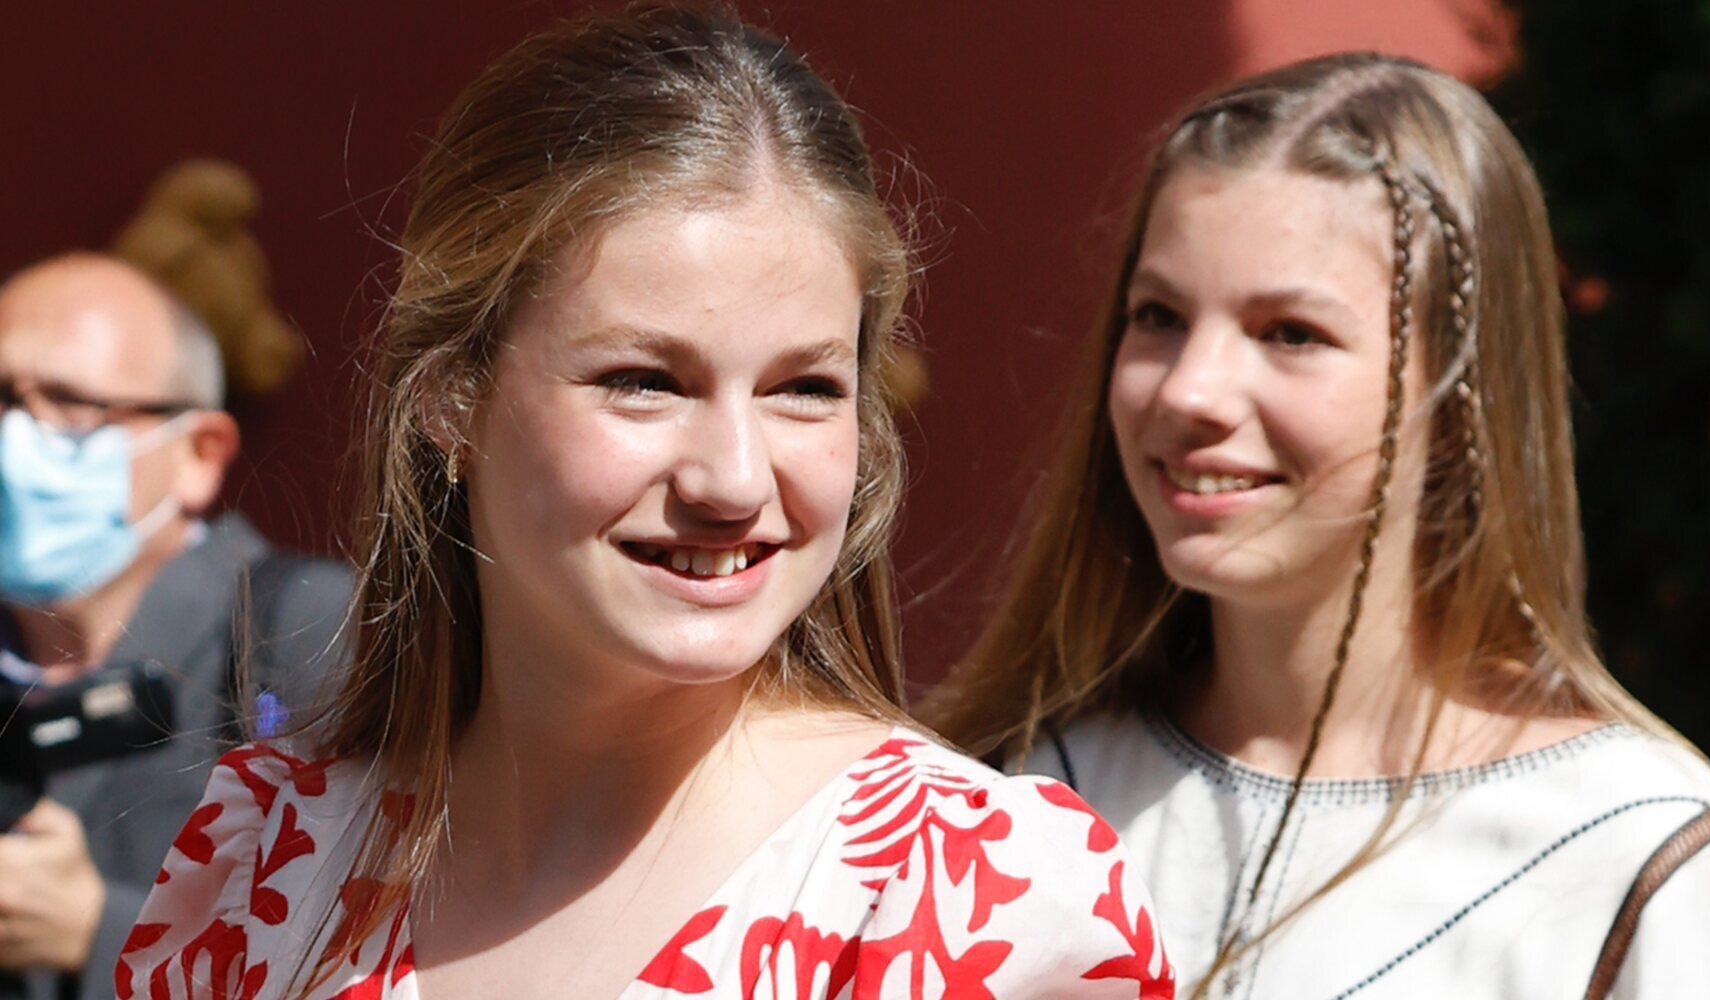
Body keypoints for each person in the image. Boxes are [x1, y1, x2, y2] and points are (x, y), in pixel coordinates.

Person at [118, 6, 1172, 999]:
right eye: (644, 381)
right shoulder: (268, 859)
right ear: (451, 397)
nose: (732, 479)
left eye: (803, 389)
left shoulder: (976, 901)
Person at [927, 54, 1710, 998]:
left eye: (1290, 333)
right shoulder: (1018, 800)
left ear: (1458, 400)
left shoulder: (1635, 854)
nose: (1189, 389)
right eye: (1159, 316)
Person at [0, 254, 351, 1000]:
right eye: (0, 399)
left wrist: (97, 931)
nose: (15, 440)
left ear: (199, 454)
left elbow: (399, 944)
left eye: (68, 403)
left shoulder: (307, 633)